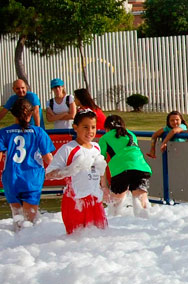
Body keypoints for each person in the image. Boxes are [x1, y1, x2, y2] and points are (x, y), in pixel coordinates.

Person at [45, 109, 108, 234]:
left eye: (93, 127)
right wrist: (68, 170)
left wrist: (104, 187)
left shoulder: (96, 147)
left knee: (98, 236)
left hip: (94, 200)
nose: (90, 131)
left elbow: (100, 170)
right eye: (85, 127)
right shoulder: (68, 149)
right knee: (77, 237)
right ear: (75, 127)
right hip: (75, 201)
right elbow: (48, 174)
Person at [0, 99, 54, 230]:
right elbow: (48, 158)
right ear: (31, 114)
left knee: (18, 221)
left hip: (11, 178)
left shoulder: (3, 132)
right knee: (30, 224)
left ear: (13, 114)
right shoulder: (38, 132)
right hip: (32, 178)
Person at [99, 115, 153, 217]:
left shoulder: (105, 138)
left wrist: (104, 186)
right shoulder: (131, 134)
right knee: (142, 204)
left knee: (115, 206)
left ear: (106, 128)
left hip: (120, 170)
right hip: (140, 168)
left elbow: (100, 163)